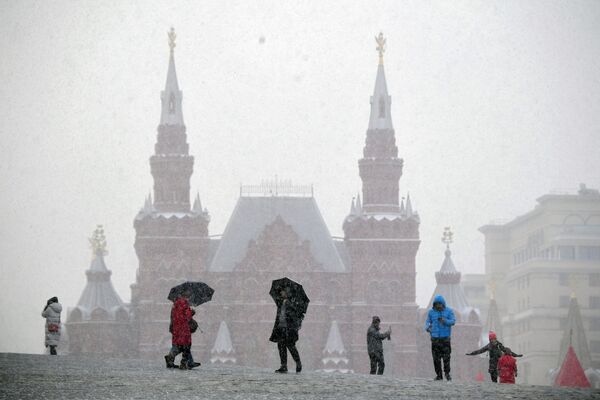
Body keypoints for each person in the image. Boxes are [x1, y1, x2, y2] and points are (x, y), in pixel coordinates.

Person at [269, 288, 302, 373]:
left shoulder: (293, 303)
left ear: (287, 293)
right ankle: (283, 366)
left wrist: (289, 305)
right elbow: (279, 315)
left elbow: (296, 315)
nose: (281, 293)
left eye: (282, 292)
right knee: (281, 347)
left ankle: (298, 363)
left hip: (289, 329)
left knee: (291, 347)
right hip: (280, 328)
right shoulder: (281, 302)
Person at [424, 295, 456, 381]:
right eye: (437, 304)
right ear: (434, 304)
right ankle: (439, 375)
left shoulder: (449, 311)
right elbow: (427, 322)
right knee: (436, 359)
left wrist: (445, 321)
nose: (438, 306)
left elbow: (453, 321)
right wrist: (427, 327)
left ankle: (447, 374)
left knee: (446, 358)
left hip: (445, 339)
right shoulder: (431, 312)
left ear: (443, 304)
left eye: (440, 304)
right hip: (435, 339)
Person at [164, 293, 198, 370]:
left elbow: (175, 316)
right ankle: (183, 363)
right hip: (184, 328)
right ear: (187, 296)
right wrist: (192, 313)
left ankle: (171, 359)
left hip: (176, 328)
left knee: (178, 345)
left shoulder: (175, 304)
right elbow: (187, 316)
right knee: (186, 345)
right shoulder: (184, 303)